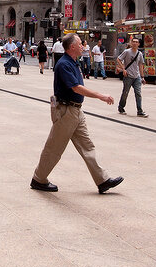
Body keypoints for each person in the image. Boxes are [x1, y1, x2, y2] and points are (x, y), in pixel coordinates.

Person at [30, 32, 124, 194]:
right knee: (54, 147)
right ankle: (39, 179)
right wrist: (101, 96)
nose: (83, 46)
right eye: (80, 44)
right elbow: (76, 87)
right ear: (72, 47)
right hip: (66, 111)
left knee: (87, 146)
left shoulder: (74, 62)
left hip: (75, 111)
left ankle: (102, 180)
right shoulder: (64, 64)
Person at [116, 37, 148, 117]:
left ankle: (140, 111)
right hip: (128, 76)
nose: (135, 43)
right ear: (131, 43)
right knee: (125, 92)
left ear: (138, 44)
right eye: (133, 42)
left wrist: (142, 77)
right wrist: (123, 69)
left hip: (136, 76)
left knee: (138, 93)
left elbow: (140, 65)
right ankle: (121, 107)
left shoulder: (140, 54)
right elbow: (118, 59)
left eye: (136, 42)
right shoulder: (127, 52)